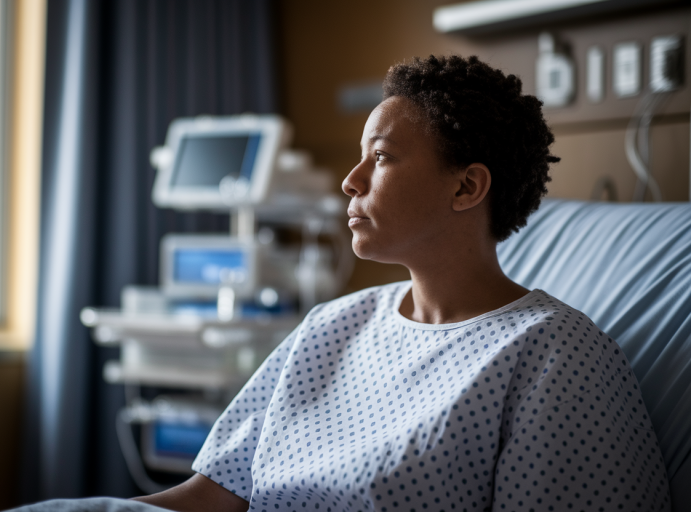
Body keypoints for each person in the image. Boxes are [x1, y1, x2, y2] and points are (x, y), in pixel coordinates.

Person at [134, 54, 670, 511]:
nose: (351, 180)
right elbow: (203, 499)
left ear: (466, 186)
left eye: (382, 157)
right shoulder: (331, 325)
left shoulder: (552, 355)